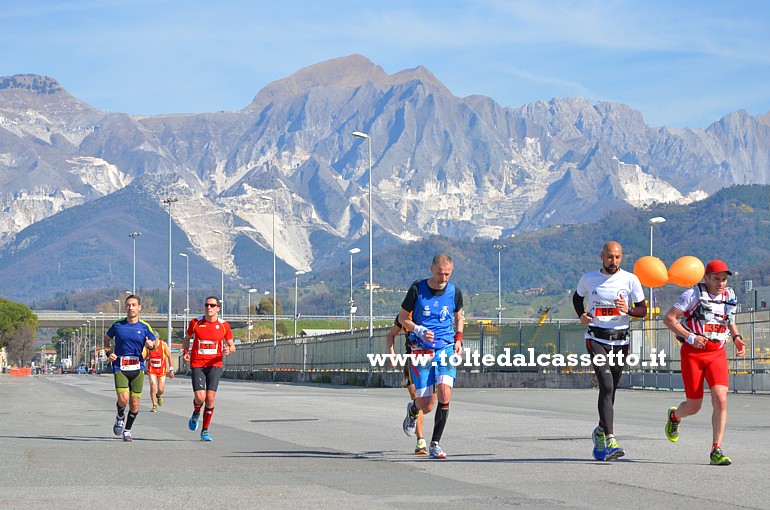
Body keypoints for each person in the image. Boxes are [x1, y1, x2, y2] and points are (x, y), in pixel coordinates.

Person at [662, 259, 746, 466]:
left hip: (717, 352)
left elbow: (729, 321)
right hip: (693, 353)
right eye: (716, 279)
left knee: (721, 399)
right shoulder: (693, 295)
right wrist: (690, 337)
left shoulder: (730, 296)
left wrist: (736, 338)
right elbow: (669, 319)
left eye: (724, 280)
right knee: (694, 406)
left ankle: (716, 449)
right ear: (706, 277)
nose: (721, 284)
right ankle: (674, 417)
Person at [573, 241, 646, 461]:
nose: (613, 261)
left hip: (620, 341)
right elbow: (577, 298)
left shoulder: (630, 279)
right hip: (596, 338)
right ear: (601, 256)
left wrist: (629, 310)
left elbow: (643, 310)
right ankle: (611, 438)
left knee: (611, 389)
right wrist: (581, 315)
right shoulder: (589, 278)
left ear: (621, 258)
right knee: (605, 385)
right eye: (609, 257)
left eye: (617, 257)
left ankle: (599, 431)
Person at [398, 254, 463, 459]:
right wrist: (418, 330)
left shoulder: (454, 291)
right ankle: (413, 409)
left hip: (446, 347)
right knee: (425, 403)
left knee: (445, 392)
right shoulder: (417, 290)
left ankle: (435, 443)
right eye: (441, 273)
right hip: (422, 350)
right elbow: (402, 318)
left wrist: (459, 339)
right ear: (431, 269)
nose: (444, 278)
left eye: (448, 273)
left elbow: (459, 316)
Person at [103, 294, 158, 442]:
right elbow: (107, 338)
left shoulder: (145, 327)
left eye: (134, 305)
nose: (130, 308)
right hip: (120, 366)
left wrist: (151, 345)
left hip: (137, 367)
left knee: (134, 403)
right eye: (128, 305)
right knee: (123, 398)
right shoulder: (118, 325)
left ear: (139, 307)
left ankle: (127, 430)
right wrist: (108, 352)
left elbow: (154, 343)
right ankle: (120, 415)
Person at [183, 296, 235, 442]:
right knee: (200, 397)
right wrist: (186, 353)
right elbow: (187, 339)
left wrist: (228, 349)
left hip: (215, 364)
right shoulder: (196, 322)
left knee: (210, 398)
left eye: (212, 305)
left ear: (218, 308)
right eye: (207, 305)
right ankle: (196, 412)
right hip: (198, 363)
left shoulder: (224, 325)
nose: (209, 308)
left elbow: (232, 346)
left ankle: (205, 431)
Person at [385, 313, 437, 455]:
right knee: (417, 396)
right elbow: (391, 335)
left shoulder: (434, 312)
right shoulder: (405, 315)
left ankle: (412, 411)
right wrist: (392, 353)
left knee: (428, 406)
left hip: (433, 360)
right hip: (412, 360)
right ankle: (421, 441)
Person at [145, 334, 174, 412]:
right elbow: (144, 355)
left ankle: (158, 395)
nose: (154, 342)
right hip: (152, 369)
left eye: (155, 340)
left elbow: (169, 356)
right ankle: (154, 405)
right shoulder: (148, 345)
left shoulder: (163, 344)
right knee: (153, 385)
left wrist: (171, 369)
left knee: (161, 389)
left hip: (161, 370)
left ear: (158, 339)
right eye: (153, 340)